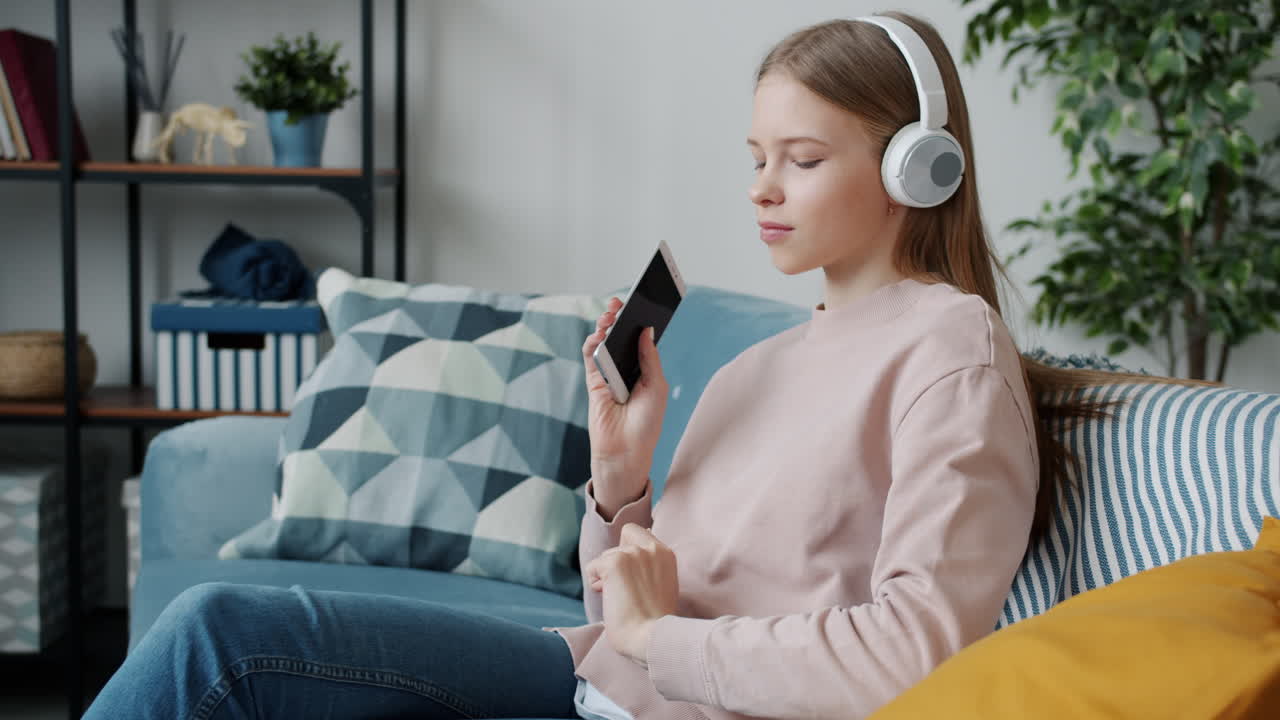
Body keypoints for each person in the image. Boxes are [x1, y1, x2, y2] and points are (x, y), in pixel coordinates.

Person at [84, 11, 1130, 720]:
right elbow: (617, 602)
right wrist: (618, 485)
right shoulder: (757, 366)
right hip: (603, 672)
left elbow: (916, 652)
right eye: (755, 159)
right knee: (218, 633)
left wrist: (658, 640)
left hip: (660, 695)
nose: (764, 190)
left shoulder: (946, 347)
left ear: (917, 167)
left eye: (802, 161)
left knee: (221, 645)